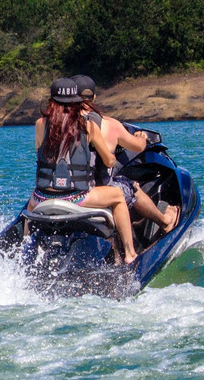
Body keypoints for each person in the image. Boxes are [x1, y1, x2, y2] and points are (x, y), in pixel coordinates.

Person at [30, 78, 139, 263]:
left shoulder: (40, 124)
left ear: (51, 101)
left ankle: (26, 253)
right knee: (118, 196)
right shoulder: (88, 126)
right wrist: (111, 158)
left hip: (41, 197)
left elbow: (42, 154)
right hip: (76, 197)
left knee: (29, 210)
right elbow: (109, 160)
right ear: (76, 101)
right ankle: (130, 254)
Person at [72, 75, 179, 234]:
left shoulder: (57, 126)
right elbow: (137, 147)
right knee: (130, 184)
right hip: (95, 193)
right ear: (94, 97)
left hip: (64, 191)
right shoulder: (108, 125)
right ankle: (164, 222)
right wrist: (141, 138)